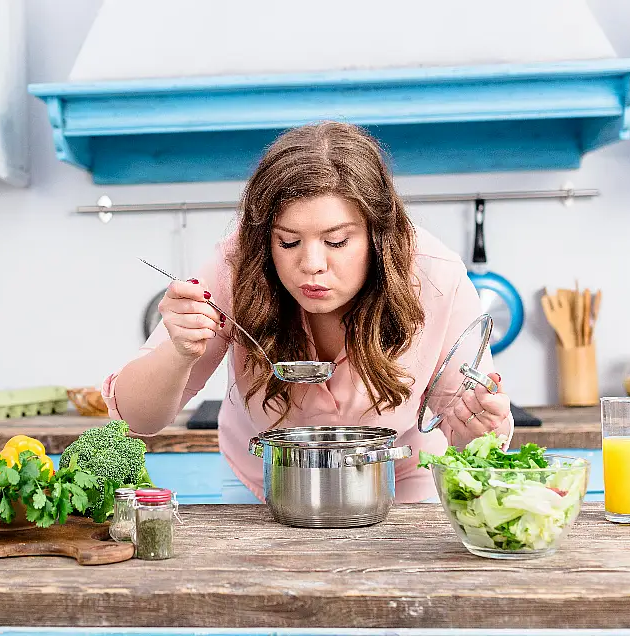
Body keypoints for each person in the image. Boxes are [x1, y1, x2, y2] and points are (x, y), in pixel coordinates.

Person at [101, 121, 513, 504]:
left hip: (398, 476)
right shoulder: (235, 265)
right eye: (288, 241)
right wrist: (178, 352)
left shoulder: (434, 274)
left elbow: (465, 430)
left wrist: (481, 428)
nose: (311, 264)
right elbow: (138, 420)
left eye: (336, 241)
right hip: (265, 477)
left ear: (378, 235)